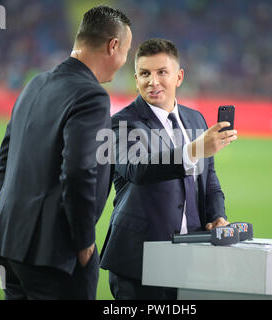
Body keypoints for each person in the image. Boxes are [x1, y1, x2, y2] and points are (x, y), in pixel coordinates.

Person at [0, 5, 132, 300]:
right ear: (113, 46)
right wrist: (84, 239)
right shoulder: (91, 95)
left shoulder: (34, 84)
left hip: (8, 242)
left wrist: (28, 215)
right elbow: (78, 170)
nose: (125, 60)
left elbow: (4, 164)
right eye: (127, 51)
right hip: (57, 254)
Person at [99, 38, 237, 299]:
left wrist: (217, 216)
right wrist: (195, 149)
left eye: (162, 72)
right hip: (139, 262)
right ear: (136, 78)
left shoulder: (195, 118)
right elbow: (138, 168)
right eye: (145, 74)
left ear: (179, 76)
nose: (153, 81)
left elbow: (209, 182)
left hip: (192, 259)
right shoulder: (121, 123)